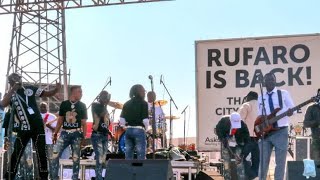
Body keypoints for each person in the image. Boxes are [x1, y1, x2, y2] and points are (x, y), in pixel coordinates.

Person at [0, 73, 60, 180]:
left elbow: (47, 93)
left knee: (41, 153)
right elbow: (3, 104)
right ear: (10, 82)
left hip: (37, 127)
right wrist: (13, 88)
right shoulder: (10, 94)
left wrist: (56, 89)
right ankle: (9, 176)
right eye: (14, 79)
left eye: (19, 78)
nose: (18, 80)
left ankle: (43, 177)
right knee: (16, 153)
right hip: (24, 128)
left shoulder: (30, 88)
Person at [258, 72, 294, 180]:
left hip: (281, 131)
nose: (270, 82)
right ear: (264, 82)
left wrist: (290, 112)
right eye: (268, 80)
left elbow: (293, 109)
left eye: (272, 80)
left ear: (275, 81)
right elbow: (260, 115)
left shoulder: (283, 93)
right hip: (266, 133)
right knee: (263, 162)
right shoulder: (261, 97)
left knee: (280, 162)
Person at [51, 85, 88, 180]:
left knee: (76, 158)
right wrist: (55, 134)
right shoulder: (64, 104)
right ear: (73, 92)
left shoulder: (82, 105)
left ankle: (75, 178)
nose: (81, 93)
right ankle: (54, 177)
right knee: (55, 155)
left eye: (81, 91)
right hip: (64, 133)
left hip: (77, 134)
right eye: (79, 91)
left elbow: (84, 123)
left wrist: (84, 137)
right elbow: (60, 121)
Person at [216, 112, 250, 180]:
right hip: (226, 142)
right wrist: (223, 139)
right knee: (226, 163)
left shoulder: (243, 125)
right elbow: (218, 130)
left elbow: (247, 140)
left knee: (239, 163)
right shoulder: (223, 121)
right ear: (230, 120)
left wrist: (243, 153)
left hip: (238, 143)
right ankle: (227, 178)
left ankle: (241, 178)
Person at [2, 109, 34, 180]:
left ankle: (29, 177)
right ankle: (17, 177)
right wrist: (5, 139)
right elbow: (5, 126)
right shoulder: (9, 113)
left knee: (28, 159)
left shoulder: (27, 110)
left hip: (26, 136)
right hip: (14, 137)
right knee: (16, 159)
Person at [120, 84, 149, 160]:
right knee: (141, 155)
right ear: (139, 92)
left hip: (128, 130)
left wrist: (125, 127)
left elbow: (122, 120)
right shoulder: (144, 103)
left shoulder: (127, 103)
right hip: (139, 130)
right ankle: (140, 171)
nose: (145, 93)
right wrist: (146, 129)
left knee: (128, 154)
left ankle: (129, 171)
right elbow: (145, 120)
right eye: (143, 91)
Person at [91, 90, 114, 179]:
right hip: (97, 135)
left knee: (103, 159)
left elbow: (104, 124)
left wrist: (110, 132)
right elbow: (100, 115)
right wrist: (106, 104)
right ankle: (98, 177)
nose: (106, 98)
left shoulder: (105, 107)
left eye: (106, 97)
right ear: (100, 96)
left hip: (104, 135)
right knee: (99, 157)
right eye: (104, 97)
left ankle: (99, 175)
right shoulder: (95, 105)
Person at [39, 102, 57, 180]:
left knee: (51, 161)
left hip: (49, 142)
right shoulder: (36, 116)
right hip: (39, 142)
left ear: (47, 108)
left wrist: (48, 125)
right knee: (41, 161)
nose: (43, 108)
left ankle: (52, 177)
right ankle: (43, 177)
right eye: (42, 107)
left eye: (44, 107)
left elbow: (56, 130)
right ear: (39, 108)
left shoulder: (52, 117)